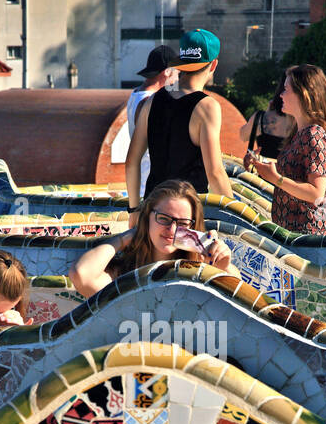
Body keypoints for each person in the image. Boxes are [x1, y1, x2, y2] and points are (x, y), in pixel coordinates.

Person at [125, 28, 233, 223]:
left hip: (153, 211)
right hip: (185, 216)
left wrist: (133, 210)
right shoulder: (207, 107)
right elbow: (215, 173)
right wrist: (235, 212)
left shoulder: (152, 100)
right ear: (213, 64)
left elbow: (132, 162)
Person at [69, 179, 239, 297]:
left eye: (182, 223)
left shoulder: (200, 269)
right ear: (147, 217)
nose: (172, 229)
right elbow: (82, 275)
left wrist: (222, 267)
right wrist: (128, 236)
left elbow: (236, 297)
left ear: (193, 227)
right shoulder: (124, 273)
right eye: (164, 219)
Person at [243, 64, 326, 234]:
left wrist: (276, 179)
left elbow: (316, 193)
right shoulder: (300, 132)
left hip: (309, 236)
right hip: (295, 233)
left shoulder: (314, 134)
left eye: (286, 89)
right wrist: (261, 164)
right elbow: (296, 172)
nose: (281, 95)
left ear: (303, 94)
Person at [127, 44, 179, 196]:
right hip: (152, 189)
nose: (177, 79)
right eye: (177, 73)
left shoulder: (136, 94)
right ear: (166, 72)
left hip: (145, 185)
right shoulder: (150, 102)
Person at [239, 76, 297, 160]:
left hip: (262, 170)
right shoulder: (304, 123)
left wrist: (266, 114)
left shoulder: (261, 118)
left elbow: (243, 136)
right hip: (288, 173)